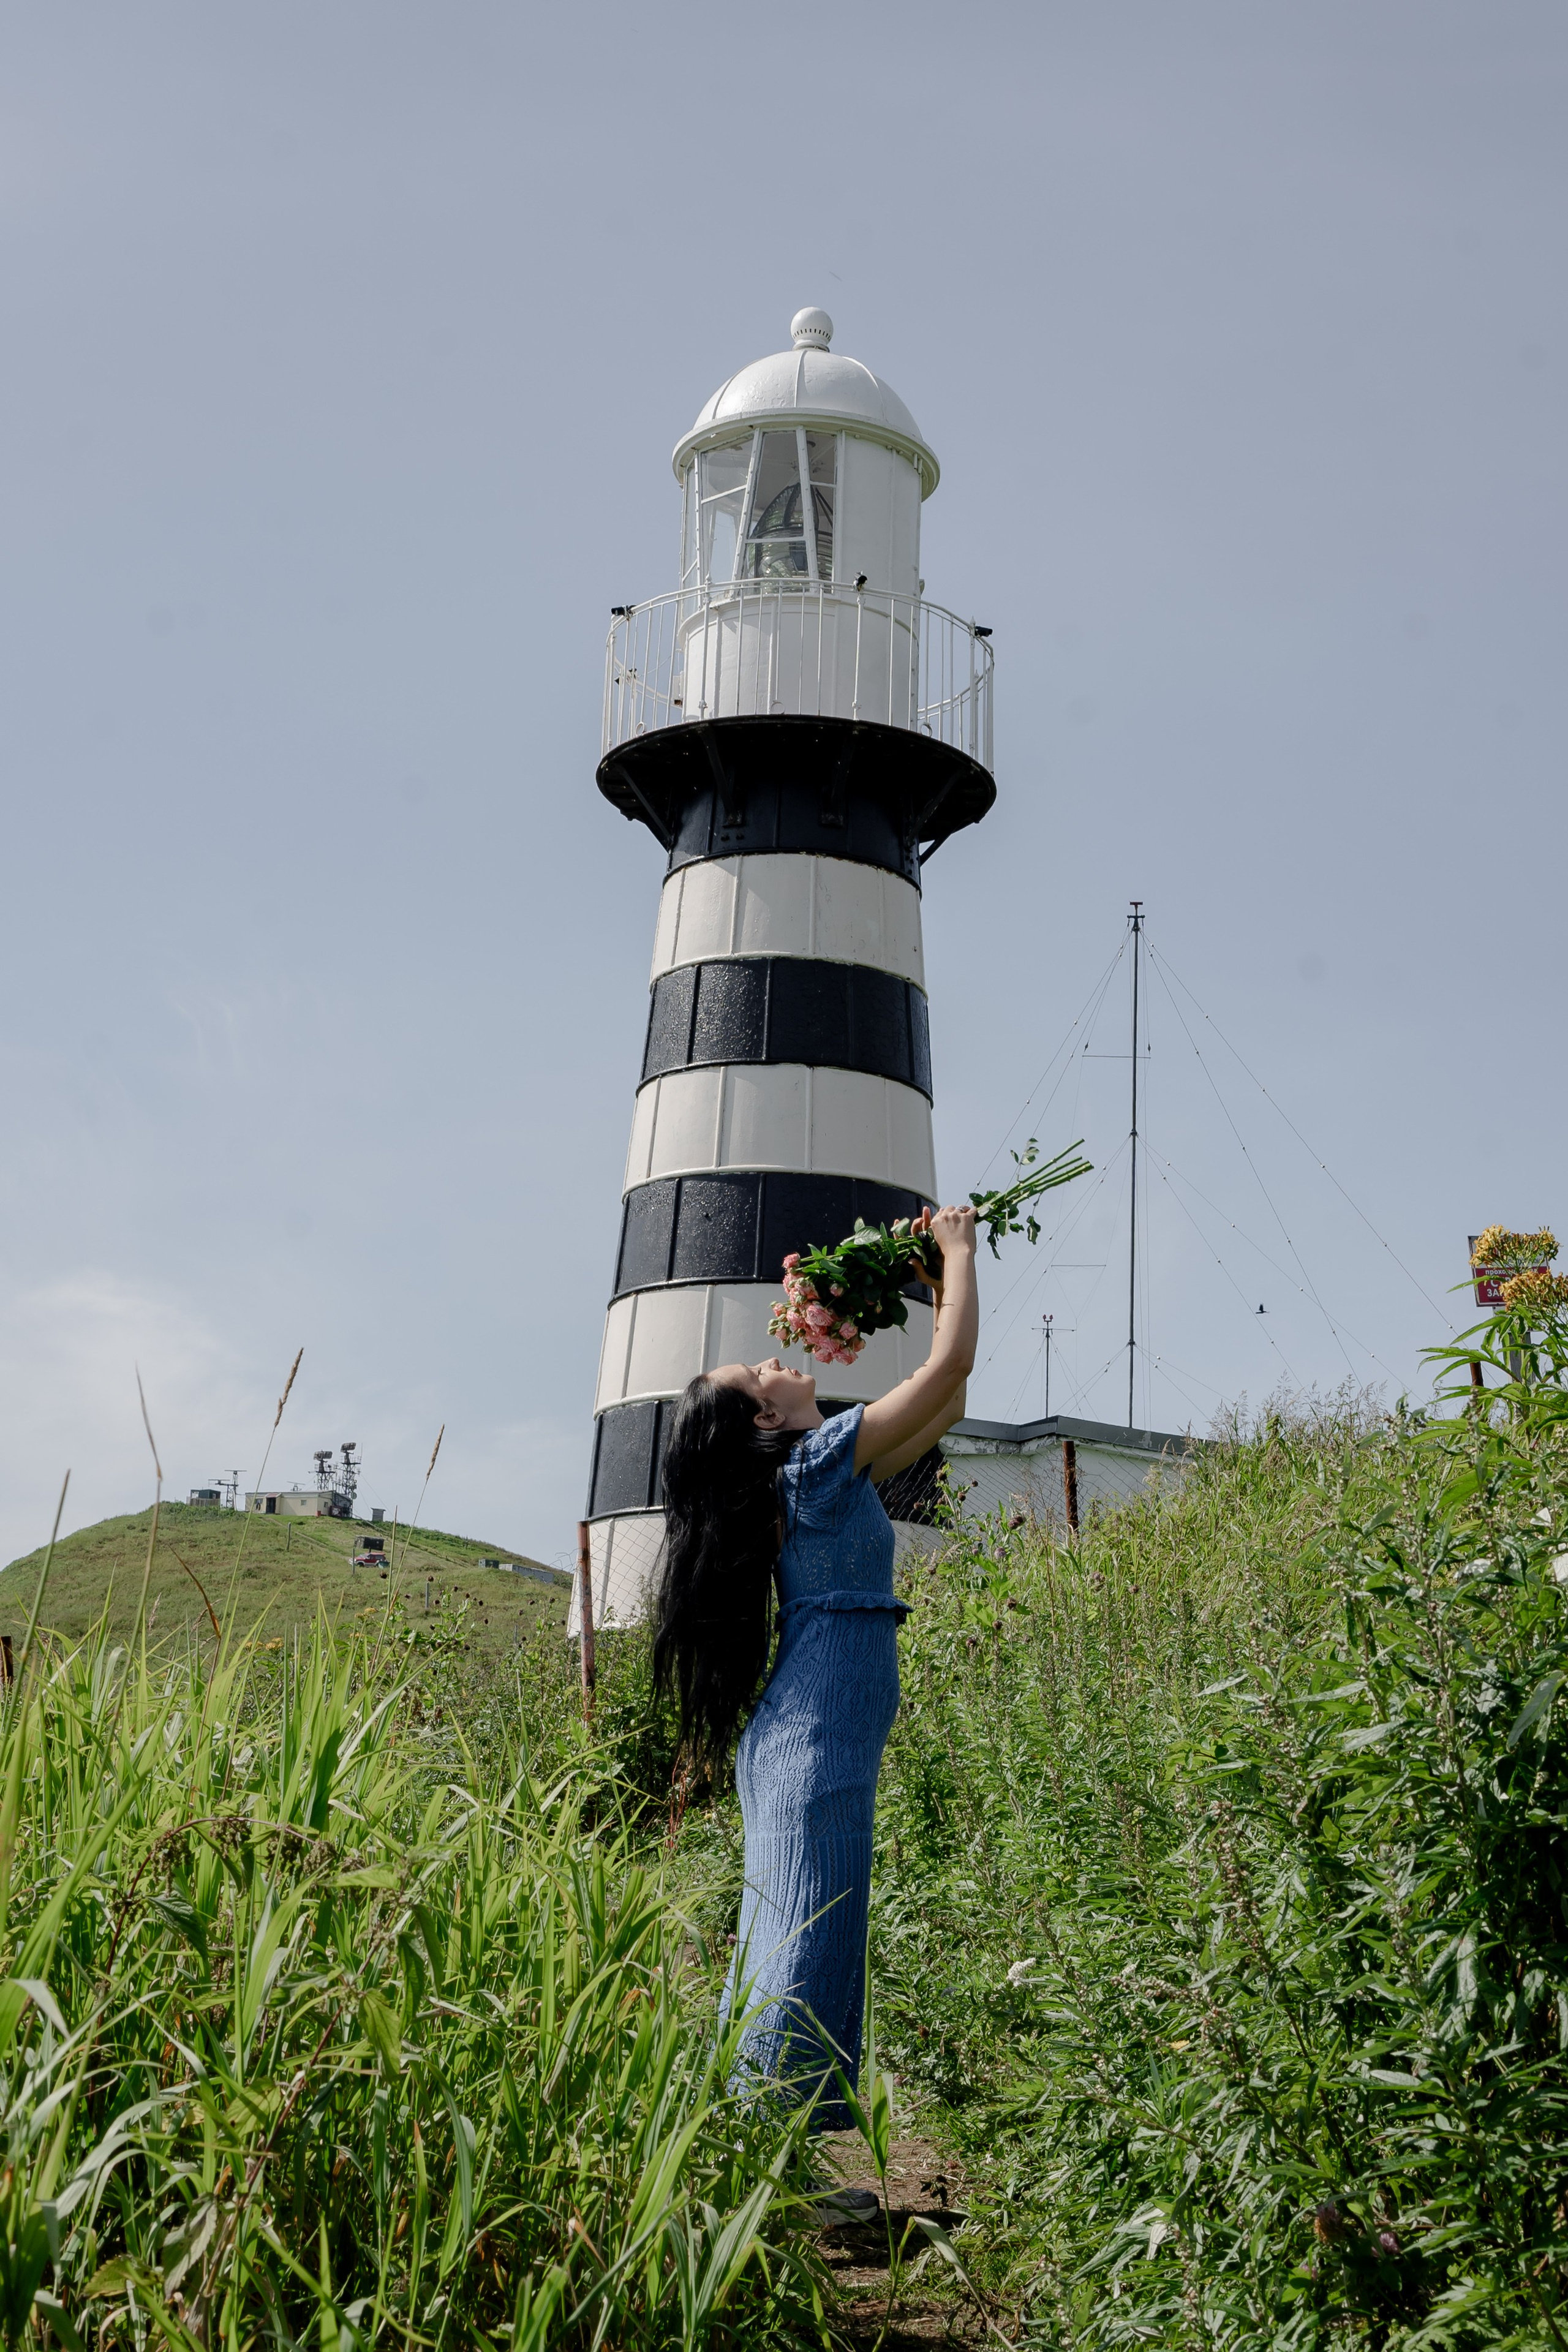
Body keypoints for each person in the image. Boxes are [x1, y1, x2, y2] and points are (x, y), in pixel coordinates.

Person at [653, 1202, 979, 2139]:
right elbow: (947, 1369)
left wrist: (940, 1289)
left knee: (797, 1942)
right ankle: (767, 2166)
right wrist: (956, 1252)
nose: (780, 1358)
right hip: (812, 1745)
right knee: (803, 1948)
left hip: (807, 1741)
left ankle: (763, 2166)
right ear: (765, 1414)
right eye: (763, 1370)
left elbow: (945, 1402)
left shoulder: (818, 1475)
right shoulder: (819, 1466)